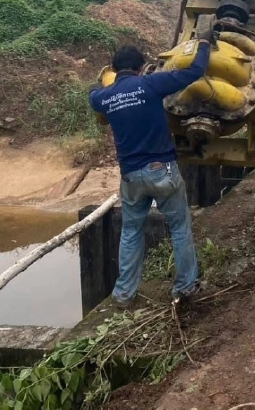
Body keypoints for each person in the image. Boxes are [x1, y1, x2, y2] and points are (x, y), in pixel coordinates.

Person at [89, 32, 213, 307]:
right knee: (179, 227)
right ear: (140, 67)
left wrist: (103, 82)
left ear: (115, 69)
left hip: (131, 177)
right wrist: (204, 45)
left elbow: (92, 95)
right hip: (161, 170)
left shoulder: (105, 96)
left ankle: (124, 295)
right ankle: (185, 287)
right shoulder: (150, 84)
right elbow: (194, 71)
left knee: (131, 232)